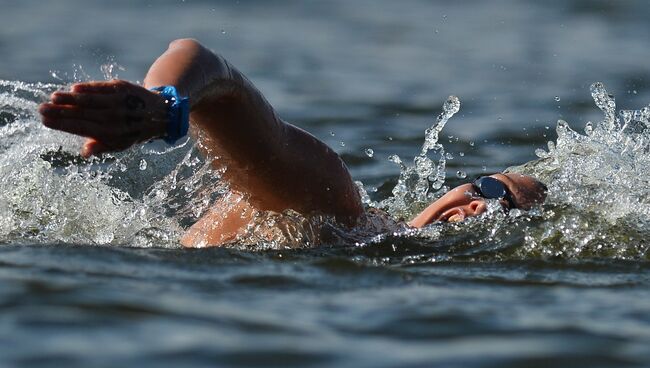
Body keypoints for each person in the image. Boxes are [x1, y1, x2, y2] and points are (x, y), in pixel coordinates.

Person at [39, 38, 547, 247]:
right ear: (458, 188)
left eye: (508, 212)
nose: (484, 209)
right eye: (490, 188)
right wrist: (164, 106)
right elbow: (206, 64)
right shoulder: (336, 203)